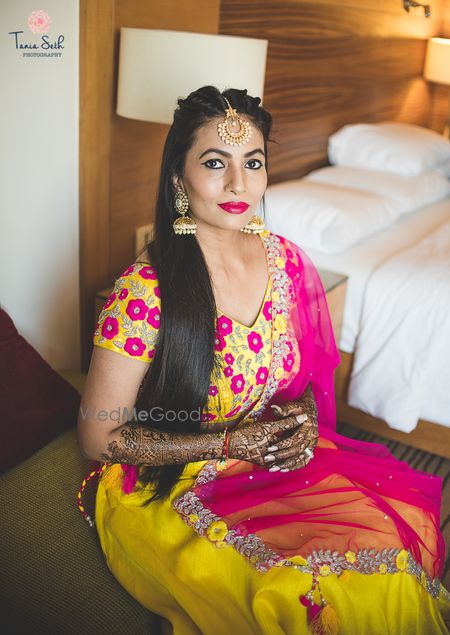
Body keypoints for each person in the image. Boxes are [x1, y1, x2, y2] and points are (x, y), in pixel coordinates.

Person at [77, 85, 450, 635]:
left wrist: (305, 421)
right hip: (171, 481)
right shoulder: (146, 291)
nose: (238, 184)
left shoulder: (284, 262)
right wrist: (230, 444)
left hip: (266, 459)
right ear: (178, 178)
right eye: (214, 163)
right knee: (315, 595)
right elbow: (98, 437)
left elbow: (303, 379)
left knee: (395, 538)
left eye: (252, 163)